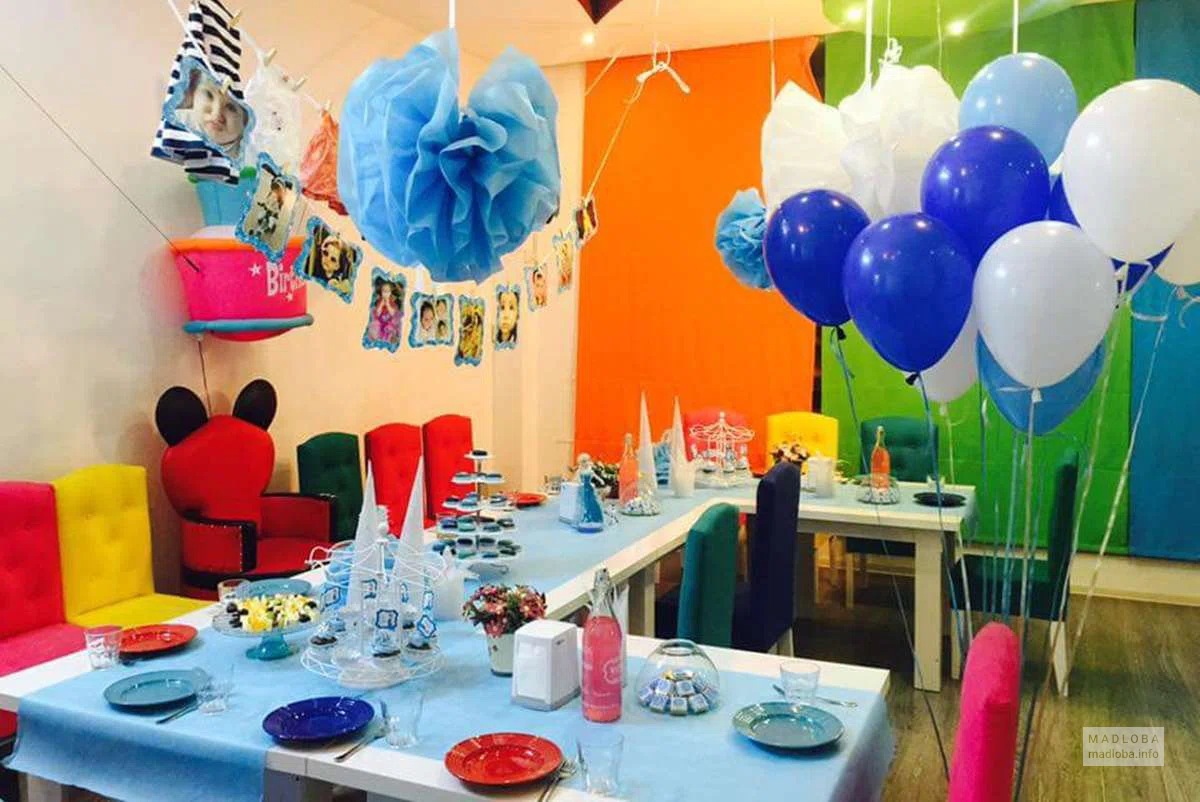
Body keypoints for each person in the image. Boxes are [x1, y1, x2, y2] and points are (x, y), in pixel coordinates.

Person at [174, 64, 249, 160]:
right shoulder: (177, 122)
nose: (216, 113)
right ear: (193, 93)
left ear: (248, 121)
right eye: (209, 95)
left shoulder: (249, 154)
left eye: (231, 107)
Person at [366, 276, 403, 348]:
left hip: (389, 320)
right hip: (380, 320)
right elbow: (377, 313)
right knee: (375, 325)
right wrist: (381, 305)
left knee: (391, 327)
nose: (385, 293)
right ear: (381, 292)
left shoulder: (392, 302)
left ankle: (390, 337)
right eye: (384, 291)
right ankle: (376, 336)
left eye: (387, 291)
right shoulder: (379, 301)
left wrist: (388, 304)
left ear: (390, 293)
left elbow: (393, 313)